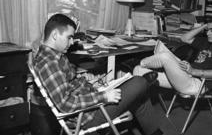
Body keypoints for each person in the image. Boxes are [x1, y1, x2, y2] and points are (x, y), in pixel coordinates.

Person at [33, 13, 178, 135]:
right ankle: (143, 82)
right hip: (87, 116)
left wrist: (96, 89)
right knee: (138, 83)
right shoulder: (49, 64)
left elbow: (72, 82)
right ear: (54, 35)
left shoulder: (54, 55)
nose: (72, 42)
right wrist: (104, 96)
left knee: (139, 93)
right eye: (69, 37)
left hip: (90, 100)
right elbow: (65, 104)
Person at [133, 17, 212, 95]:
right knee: (138, 71)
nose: (208, 33)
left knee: (165, 56)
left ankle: (142, 62)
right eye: (207, 30)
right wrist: (204, 26)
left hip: (198, 84)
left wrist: (193, 71)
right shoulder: (207, 42)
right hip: (185, 77)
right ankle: (140, 64)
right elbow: (184, 38)